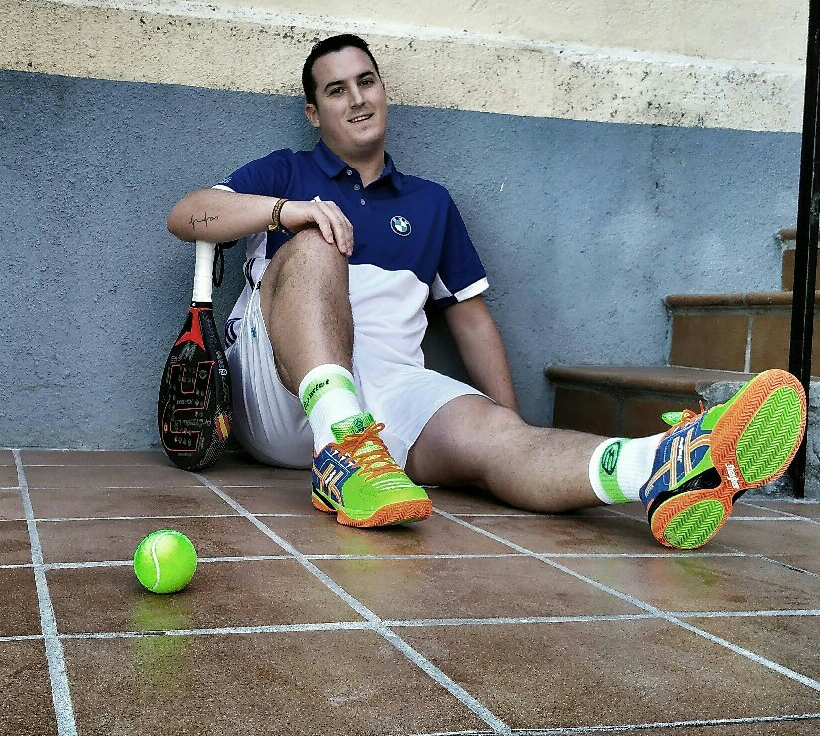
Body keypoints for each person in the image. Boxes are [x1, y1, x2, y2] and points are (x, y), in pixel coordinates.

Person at [167, 34, 807, 548]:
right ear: (314, 112)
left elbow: (471, 322)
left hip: (388, 393)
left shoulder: (432, 204)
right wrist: (290, 212)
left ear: (384, 91)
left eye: (367, 82)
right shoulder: (286, 171)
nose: (357, 99)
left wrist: (512, 427)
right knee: (316, 244)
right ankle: (340, 447)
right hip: (284, 396)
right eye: (337, 90)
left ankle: (662, 467)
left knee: (502, 438)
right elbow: (186, 214)